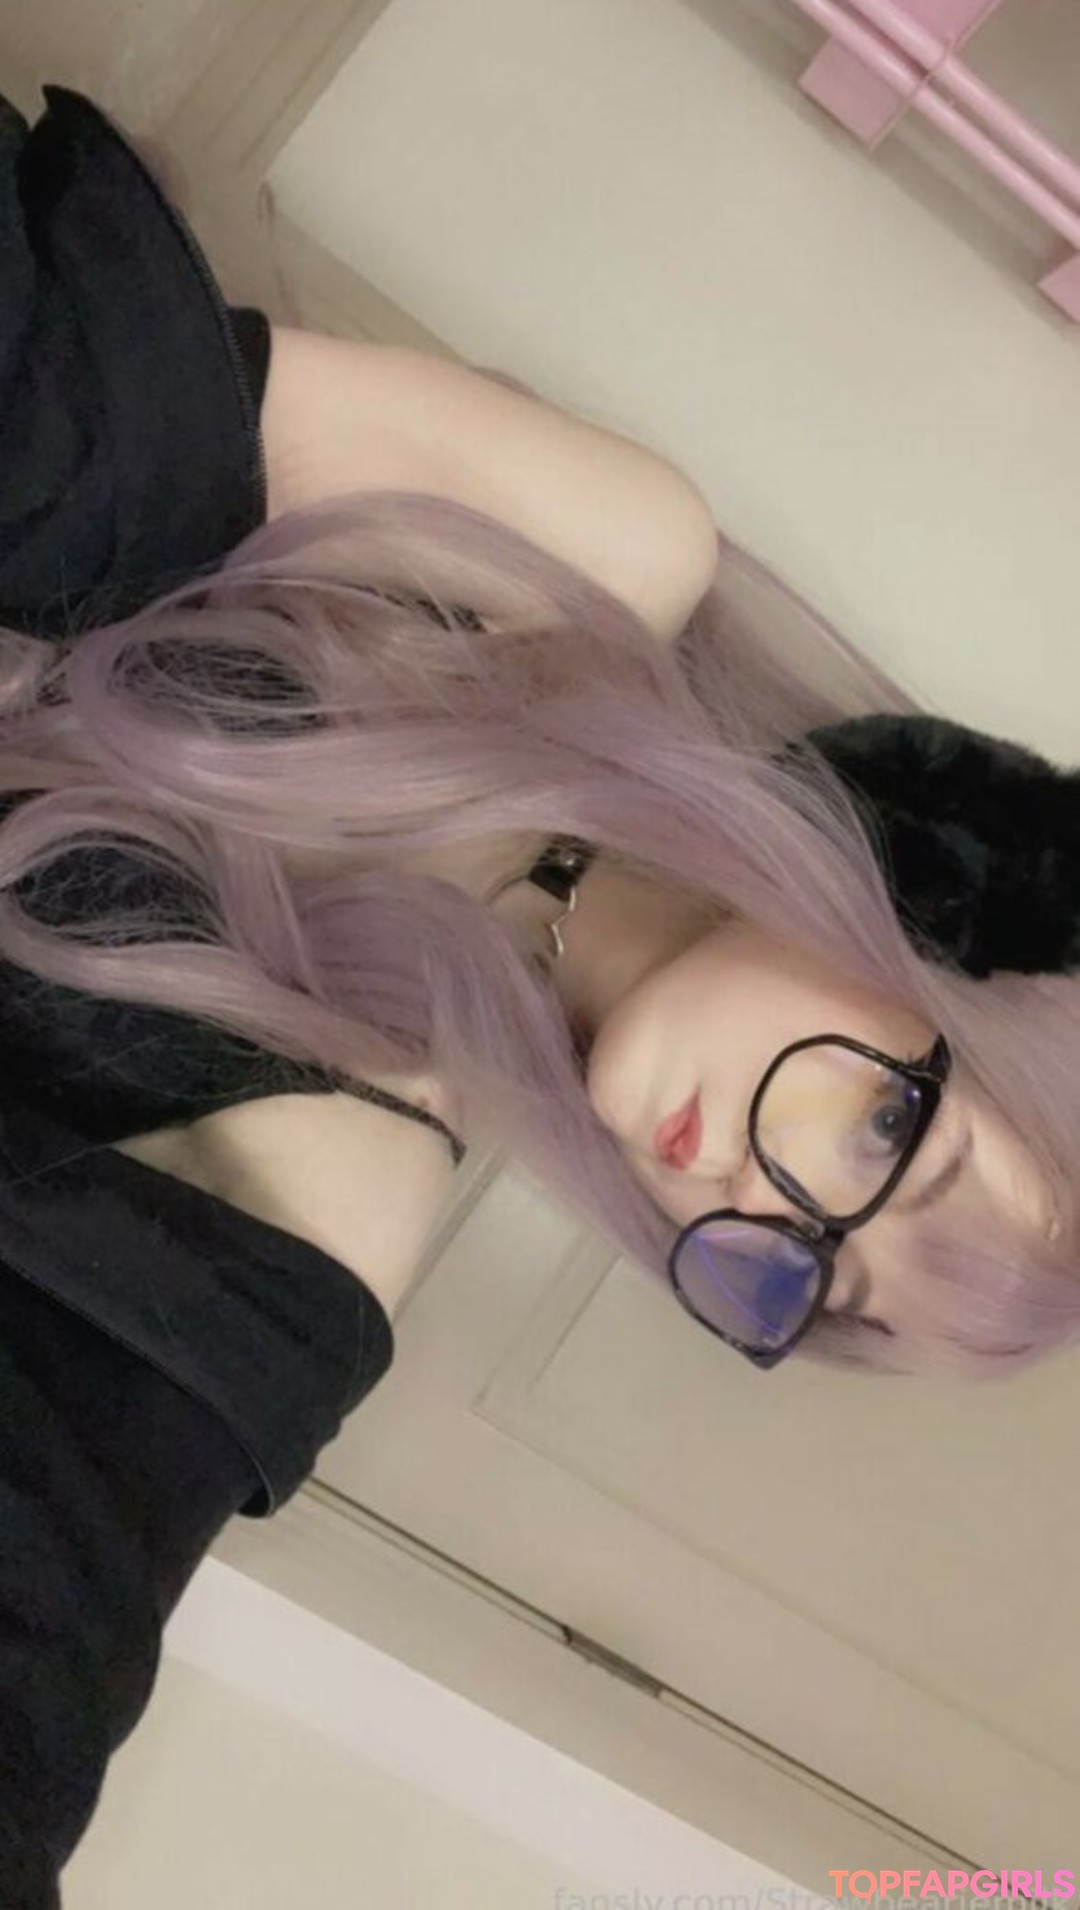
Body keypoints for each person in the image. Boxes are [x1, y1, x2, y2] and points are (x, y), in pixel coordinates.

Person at [0, 83, 1075, 1903]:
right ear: (933, 910)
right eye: (893, 1131)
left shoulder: (349, 1172)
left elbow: (67, 1554)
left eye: (805, 1285)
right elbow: (74, 408)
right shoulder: (590, 570)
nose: (762, 1206)